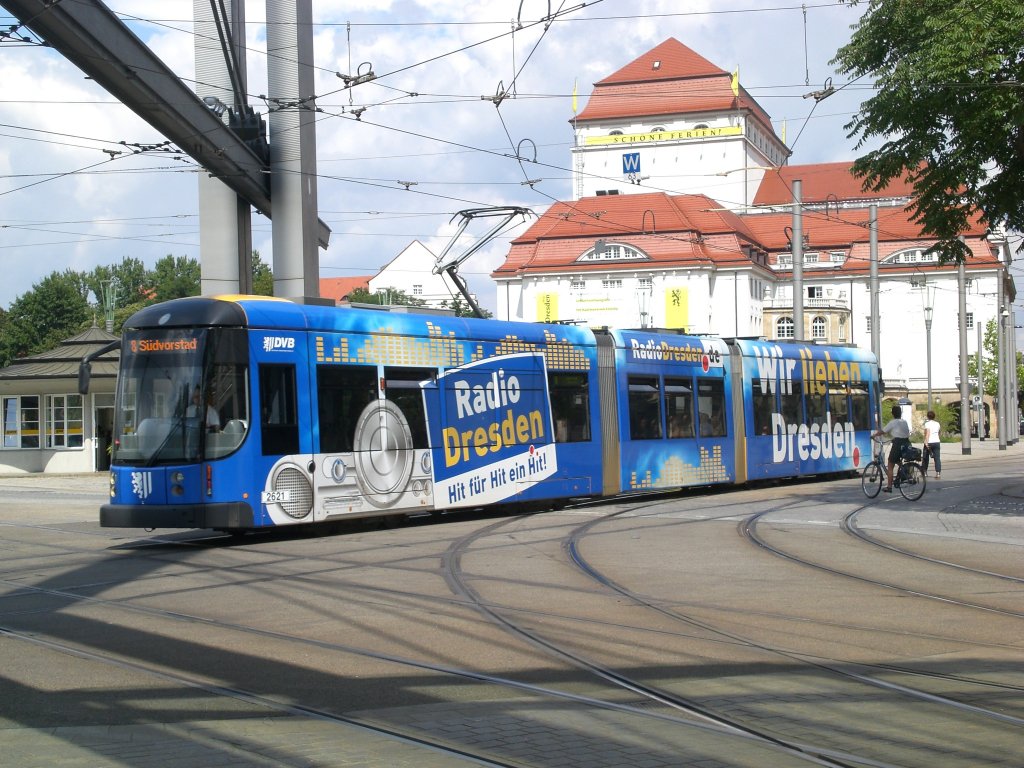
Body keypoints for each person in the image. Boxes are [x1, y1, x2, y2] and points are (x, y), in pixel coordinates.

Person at [872, 404, 910, 493]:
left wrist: (874, 435)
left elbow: (883, 431)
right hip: (907, 443)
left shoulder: (893, 422)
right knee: (896, 459)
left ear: (893, 414)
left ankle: (889, 487)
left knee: (890, 463)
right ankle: (905, 471)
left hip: (897, 444)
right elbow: (906, 433)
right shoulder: (904, 422)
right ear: (900, 413)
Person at [921, 410, 941, 479]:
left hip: (929, 442)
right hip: (936, 442)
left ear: (928, 416)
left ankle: (925, 472)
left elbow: (927, 433)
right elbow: (939, 433)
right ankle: (938, 473)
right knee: (937, 458)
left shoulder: (927, 424)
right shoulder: (937, 424)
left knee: (925, 458)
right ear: (934, 416)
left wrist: (926, 442)